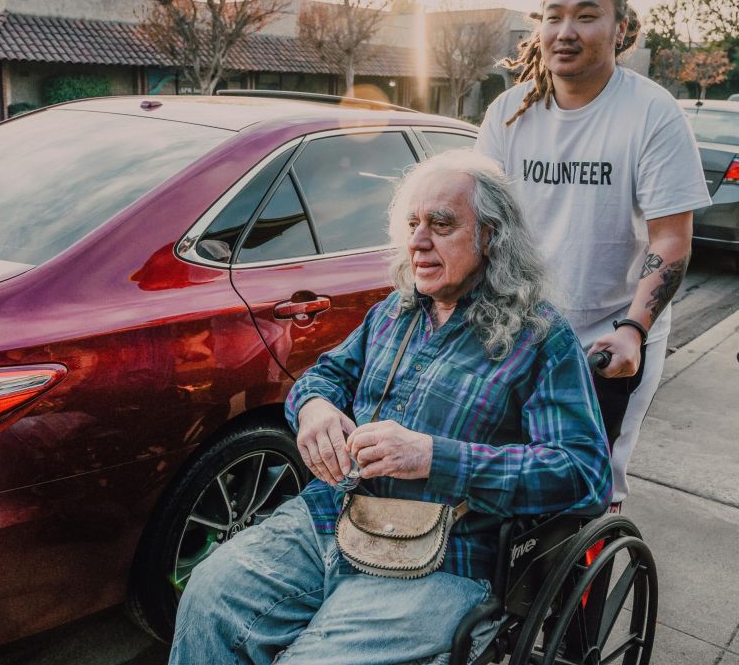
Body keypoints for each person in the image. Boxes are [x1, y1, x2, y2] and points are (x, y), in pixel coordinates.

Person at [168, 150, 612, 665]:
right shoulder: (395, 311)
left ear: (491, 236)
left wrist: (432, 457)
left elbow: (584, 472)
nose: (418, 241)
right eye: (412, 223)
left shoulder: (539, 338)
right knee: (208, 595)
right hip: (334, 517)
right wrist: (313, 409)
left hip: (447, 555)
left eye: (441, 224)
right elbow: (326, 375)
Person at [476, 0, 711, 506]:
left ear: (621, 29)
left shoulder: (652, 114)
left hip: (610, 338)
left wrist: (633, 329)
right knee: (502, 473)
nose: (565, 31)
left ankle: (587, 588)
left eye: (586, 16)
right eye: (554, 17)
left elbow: (671, 240)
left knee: (590, 483)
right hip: (518, 330)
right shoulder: (509, 113)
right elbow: (482, 222)